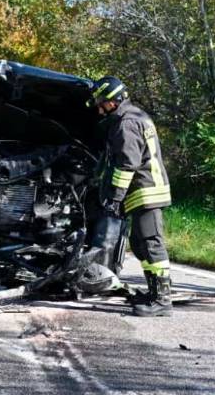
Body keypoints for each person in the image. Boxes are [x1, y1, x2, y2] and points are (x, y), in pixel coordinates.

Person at [92, 76, 173, 317]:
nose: (99, 107)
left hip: (145, 190)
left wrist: (114, 197)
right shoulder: (136, 115)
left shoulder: (125, 123)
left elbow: (127, 164)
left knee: (150, 244)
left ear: (113, 101)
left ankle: (161, 300)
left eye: (101, 102)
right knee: (140, 244)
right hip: (145, 190)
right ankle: (153, 293)